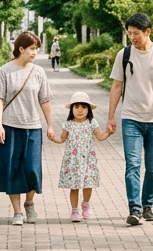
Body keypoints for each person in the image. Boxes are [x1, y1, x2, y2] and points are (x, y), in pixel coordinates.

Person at [106, 13, 153, 226]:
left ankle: (148, 205)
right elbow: (117, 86)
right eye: (129, 33)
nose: (132, 37)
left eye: (136, 33)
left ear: (148, 32)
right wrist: (111, 117)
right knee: (133, 164)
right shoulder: (125, 54)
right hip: (131, 118)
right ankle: (134, 209)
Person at [0, 31, 55, 226]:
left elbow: (44, 100)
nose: (35, 52)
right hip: (10, 128)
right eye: (32, 49)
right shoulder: (5, 71)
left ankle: (29, 203)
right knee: (12, 170)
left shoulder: (38, 72)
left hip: (32, 127)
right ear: (21, 49)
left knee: (32, 170)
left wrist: (50, 125)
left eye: (37, 49)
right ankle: (17, 212)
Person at [48, 91, 112, 222]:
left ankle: (86, 205)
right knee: (74, 186)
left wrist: (108, 133)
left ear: (89, 109)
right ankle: (74, 210)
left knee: (88, 184)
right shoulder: (68, 124)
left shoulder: (91, 122)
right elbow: (62, 139)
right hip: (73, 162)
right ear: (72, 109)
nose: (80, 110)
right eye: (76, 107)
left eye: (83, 107)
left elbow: (100, 137)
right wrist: (53, 138)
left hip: (88, 160)